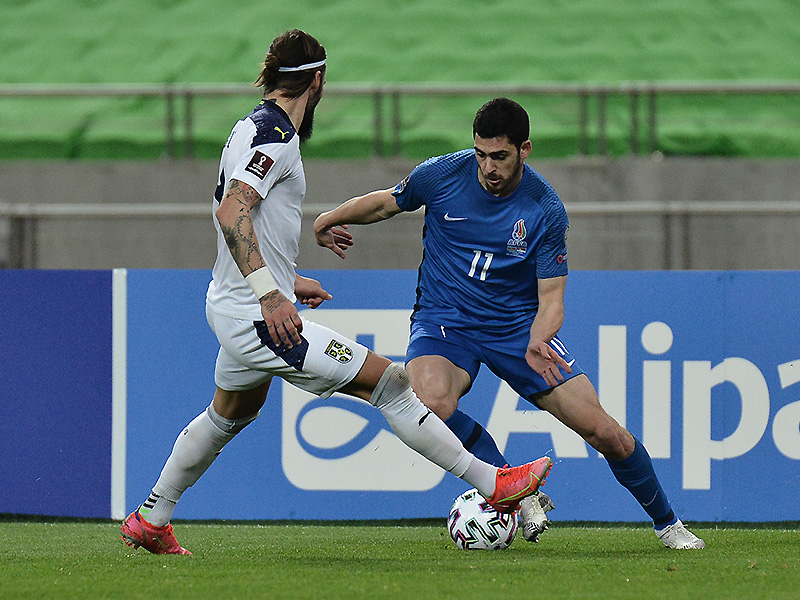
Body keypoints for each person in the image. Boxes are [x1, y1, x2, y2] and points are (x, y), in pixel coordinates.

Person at [120, 33, 552, 555]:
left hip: (233, 303)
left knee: (228, 413)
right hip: (258, 318)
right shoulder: (276, 136)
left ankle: (152, 518)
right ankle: (494, 482)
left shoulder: (249, 126)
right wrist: (271, 295)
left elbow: (246, 218)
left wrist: (284, 280)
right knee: (392, 385)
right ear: (318, 80)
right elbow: (232, 212)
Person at [314, 97, 705, 550]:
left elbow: (552, 298)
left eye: (499, 156)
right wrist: (329, 218)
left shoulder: (544, 208)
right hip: (445, 320)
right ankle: (515, 488)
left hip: (516, 330)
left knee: (605, 432)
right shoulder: (442, 174)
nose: (488, 167)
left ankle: (669, 524)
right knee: (429, 402)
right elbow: (386, 203)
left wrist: (540, 336)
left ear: (524, 149)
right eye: (481, 154)